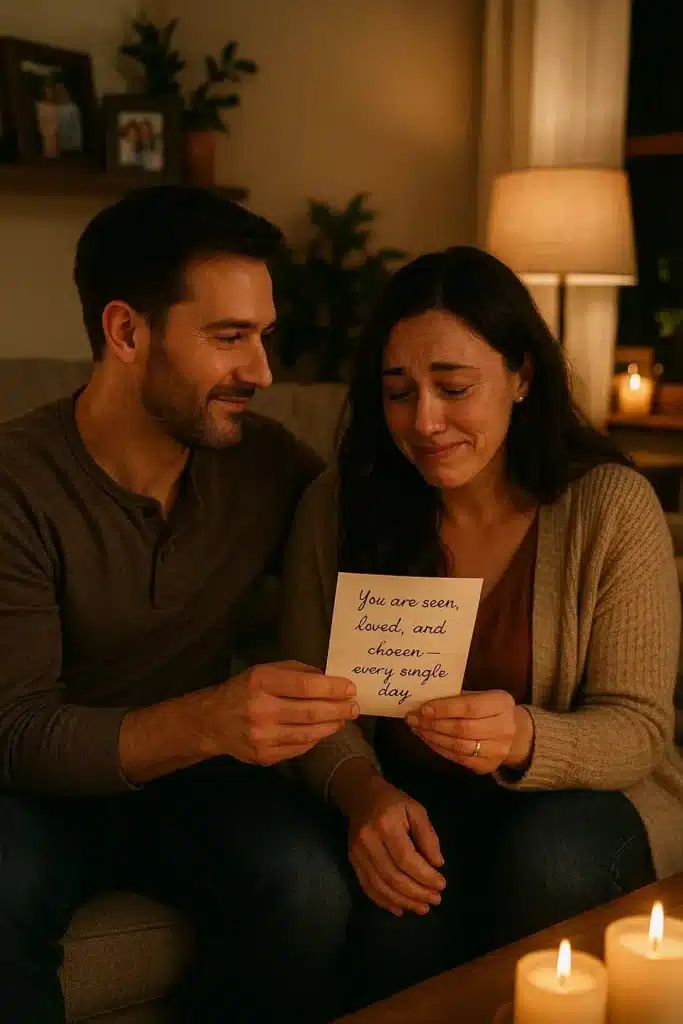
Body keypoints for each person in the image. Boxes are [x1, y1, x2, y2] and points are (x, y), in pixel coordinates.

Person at [282, 246, 683, 1010]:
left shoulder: (607, 507)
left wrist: (523, 738)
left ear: (522, 376)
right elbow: (305, 701)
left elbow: (639, 729)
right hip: (405, 796)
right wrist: (363, 793)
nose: (423, 421)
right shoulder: (340, 505)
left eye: (453, 387)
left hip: (572, 800)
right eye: (397, 393)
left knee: (550, 860)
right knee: (396, 913)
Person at [0, 185, 359, 1024]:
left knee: (307, 891)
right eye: (229, 338)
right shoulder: (15, 484)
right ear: (126, 331)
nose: (262, 373)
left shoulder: (262, 462)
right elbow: (13, 731)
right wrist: (212, 721)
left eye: (263, 337)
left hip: (193, 786)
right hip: (29, 793)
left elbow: (380, 532)